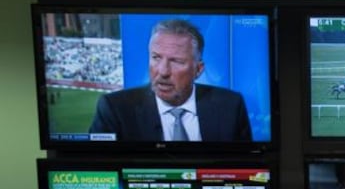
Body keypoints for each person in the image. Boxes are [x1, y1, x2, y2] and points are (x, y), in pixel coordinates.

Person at [88, 18, 252, 142]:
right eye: (156, 58)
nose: (163, 71)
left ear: (198, 70)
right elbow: (99, 171)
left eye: (176, 61)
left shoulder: (231, 106)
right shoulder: (115, 109)